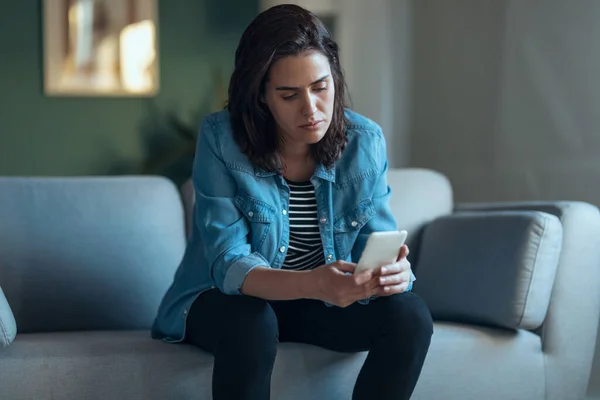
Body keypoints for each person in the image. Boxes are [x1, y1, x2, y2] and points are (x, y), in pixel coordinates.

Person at [151, 4, 433, 399]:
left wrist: (394, 274)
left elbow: (379, 241)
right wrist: (314, 283)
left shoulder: (364, 142)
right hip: (228, 302)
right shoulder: (221, 140)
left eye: (320, 87)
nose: (312, 109)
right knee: (251, 321)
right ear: (262, 95)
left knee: (410, 314)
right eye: (289, 95)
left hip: (320, 303)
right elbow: (228, 262)